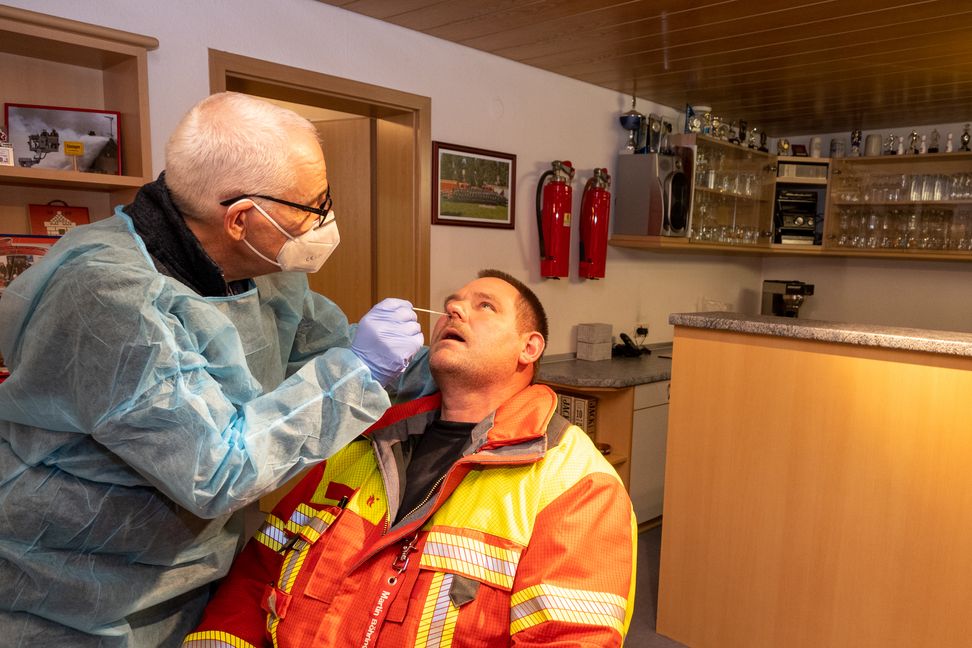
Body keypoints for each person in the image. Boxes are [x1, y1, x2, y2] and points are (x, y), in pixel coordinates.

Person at [0, 92, 432, 646]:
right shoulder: (108, 296)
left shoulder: (260, 269)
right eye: (312, 206)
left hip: (193, 575)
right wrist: (360, 371)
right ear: (241, 219)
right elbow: (216, 468)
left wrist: (441, 364)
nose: (324, 221)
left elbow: (321, 351)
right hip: (68, 595)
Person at [185, 269, 637, 647]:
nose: (454, 310)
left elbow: (570, 638)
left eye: (485, 306)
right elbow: (257, 576)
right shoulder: (361, 442)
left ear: (529, 348)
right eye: (451, 303)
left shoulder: (574, 482)